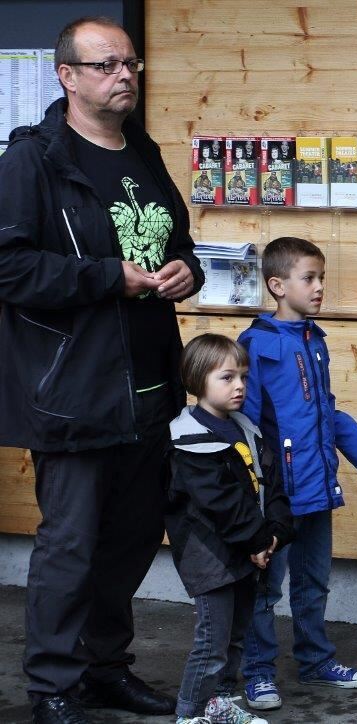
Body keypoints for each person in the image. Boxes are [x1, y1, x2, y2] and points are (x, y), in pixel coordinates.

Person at [0, 16, 204, 724]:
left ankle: (105, 667)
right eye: (107, 65)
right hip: (74, 389)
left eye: (131, 63)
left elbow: (176, 241)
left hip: (150, 384)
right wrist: (104, 279)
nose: (125, 75)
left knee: (131, 539)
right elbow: (10, 266)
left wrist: (187, 271)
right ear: (68, 76)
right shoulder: (34, 160)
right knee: (71, 545)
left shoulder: (141, 152)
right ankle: (54, 685)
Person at [237, 236, 357, 711]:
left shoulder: (314, 340)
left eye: (322, 277)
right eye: (310, 278)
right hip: (278, 494)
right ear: (277, 285)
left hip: (317, 488)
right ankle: (258, 672)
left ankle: (315, 660)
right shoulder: (258, 344)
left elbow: (325, 412)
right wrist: (259, 490)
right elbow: (248, 421)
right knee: (266, 588)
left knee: (313, 582)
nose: (320, 287)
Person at [166, 334, 294, 724]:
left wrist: (273, 532)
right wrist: (256, 539)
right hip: (210, 556)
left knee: (236, 636)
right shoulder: (189, 438)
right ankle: (189, 715)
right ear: (197, 379)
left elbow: (271, 482)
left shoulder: (244, 429)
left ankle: (217, 703)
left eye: (243, 377)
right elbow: (220, 503)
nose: (239, 385)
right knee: (212, 643)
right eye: (227, 377)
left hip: (246, 549)